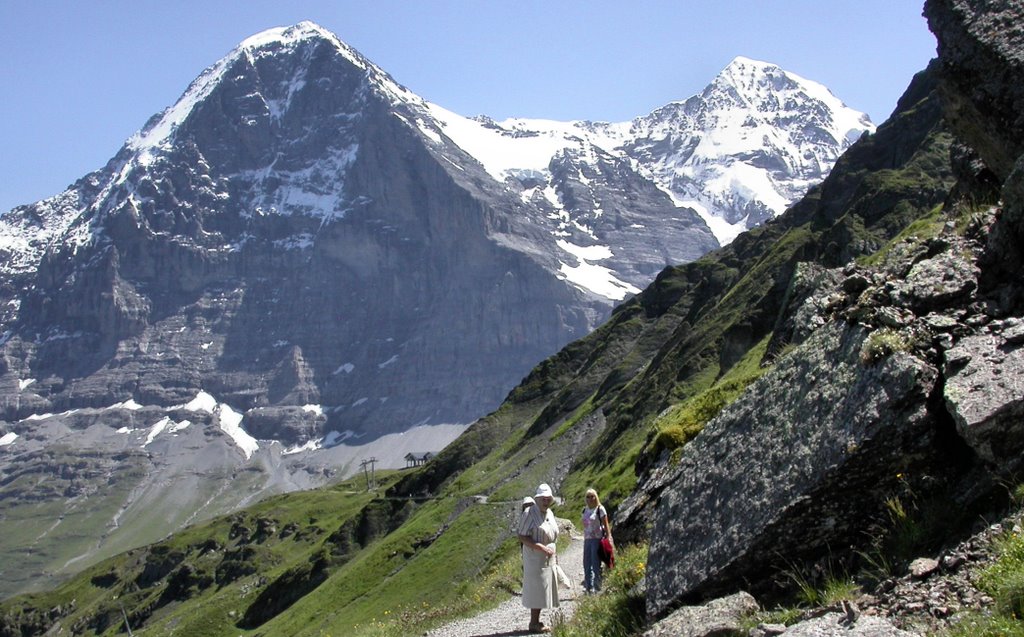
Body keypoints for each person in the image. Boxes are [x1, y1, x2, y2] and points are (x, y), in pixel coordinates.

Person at [517, 483, 559, 634]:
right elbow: (522, 535)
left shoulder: (549, 513)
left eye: (548, 499)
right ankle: (534, 623)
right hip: (535, 557)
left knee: (543, 588)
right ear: (537, 499)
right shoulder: (529, 513)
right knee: (537, 588)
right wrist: (540, 547)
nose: (546, 501)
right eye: (543, 499)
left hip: (547, 556)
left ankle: (536, 621)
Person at [581, 488, 612, 593]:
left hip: (597, 539)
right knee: (586, 563)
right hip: (587, 540)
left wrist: (608, 537)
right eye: (588, 497)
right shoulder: (584, 510)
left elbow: (605, 524)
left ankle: (597, 587)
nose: (590, 499)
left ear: (596, 497)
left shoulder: (600, 509)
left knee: (595, 563)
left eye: (592, 496)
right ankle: (588, 586)